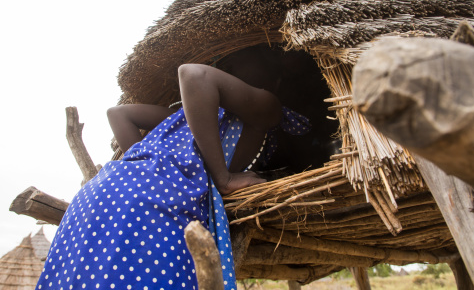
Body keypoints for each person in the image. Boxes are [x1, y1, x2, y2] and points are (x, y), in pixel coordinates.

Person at [35, 48, 310, 290]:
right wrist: (223, 178)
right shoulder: (269, 106)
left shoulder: (185, 119)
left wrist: (144, 172)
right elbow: (193, 75)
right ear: (274, 80)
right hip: (150, 205)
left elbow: (118, 114)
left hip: (98, 195)